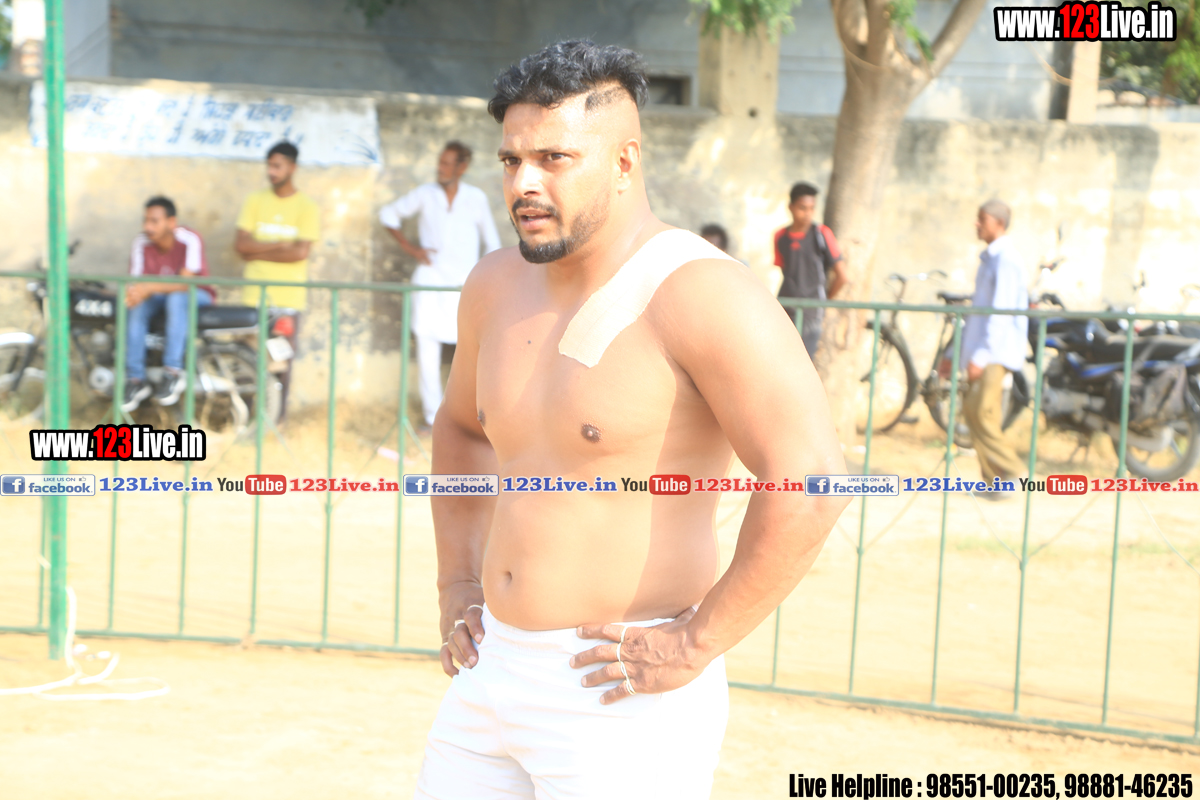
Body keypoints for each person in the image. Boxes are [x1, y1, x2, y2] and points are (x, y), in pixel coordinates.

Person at [416, 41, 849, 800]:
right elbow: (460, 428)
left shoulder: (700, 292)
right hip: (489, 670)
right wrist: (457, 579)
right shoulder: (494, 283)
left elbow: (811, 481)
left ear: (624, 161)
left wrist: (697, 642)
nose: (523, 183)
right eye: (511, 160)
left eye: (554, 158)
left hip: (619, 688)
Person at [380, 141, 501, 429]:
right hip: (429, 284)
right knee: (427, 351)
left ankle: (470, 422)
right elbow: (387, 214)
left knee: (470, 354)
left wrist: (484, 281)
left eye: (447, 164)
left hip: (463, 288)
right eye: (440, 162)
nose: (440, 168)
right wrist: (411, 248)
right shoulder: (425, 194)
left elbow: (493, 244)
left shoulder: (475, 198)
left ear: (462, 167)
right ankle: (433, 420)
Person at [958, 199, 1030, 495]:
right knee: (973, 411)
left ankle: (1015, 471)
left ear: (999, 224)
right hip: (983, 350)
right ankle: (993, 480)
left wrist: (981, 356)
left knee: (982, 413)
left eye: (983, 219)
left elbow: (1000, 313)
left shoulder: (1006, 260)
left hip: (995, 352)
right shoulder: (990, 258)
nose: (977, 224)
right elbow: (979, 314)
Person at [122, 196, 215, 412]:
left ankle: (172, 371)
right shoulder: (141, 242)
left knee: (177, 298)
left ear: (171, 222)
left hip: (197, 294)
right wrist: (135, 294)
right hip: (157, 296)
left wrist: (149, 287)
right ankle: (135, 379)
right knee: (135, 306)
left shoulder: (190, 239)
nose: (148, 227)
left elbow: (186, 283)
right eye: (146, 220)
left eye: (154, 221)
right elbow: (135, 284)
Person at [234, 141, 321, 312]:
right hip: (254, 296)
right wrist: (280, 244)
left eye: (277, 166)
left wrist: (254, 254)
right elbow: (241, 245)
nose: (271, 172)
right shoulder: (254, 200)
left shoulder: (307, 206)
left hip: (289, 299)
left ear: (292, 167)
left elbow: (299, 253)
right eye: (269, 166)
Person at [773, 182, 847, 358]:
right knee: (780, 358)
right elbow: (785, 271)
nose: (807, 213)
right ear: (791, 207)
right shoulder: (780, 237)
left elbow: (842, 276)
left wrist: (822, 301)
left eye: (812, 208)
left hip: (812, 312)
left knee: (803, 360)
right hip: (785, 308)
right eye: (802, 208)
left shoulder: (822, 234)